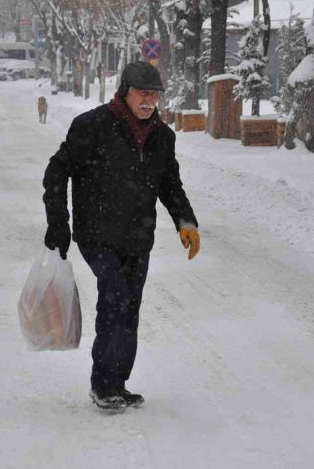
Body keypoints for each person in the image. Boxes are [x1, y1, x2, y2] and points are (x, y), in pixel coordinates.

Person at [42, 61, 200, 411]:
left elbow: (170, 185)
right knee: (114, 298)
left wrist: (185, 222)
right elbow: (57, 171)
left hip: (138, 237)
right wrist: (58, 222)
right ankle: (103, 384)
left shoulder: (162, 136)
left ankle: (118, 383)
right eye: (143, 93)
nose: (149, 101)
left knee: (130, 308)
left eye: (155, 94)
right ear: (125, 91)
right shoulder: (91, 126)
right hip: (97, 234)